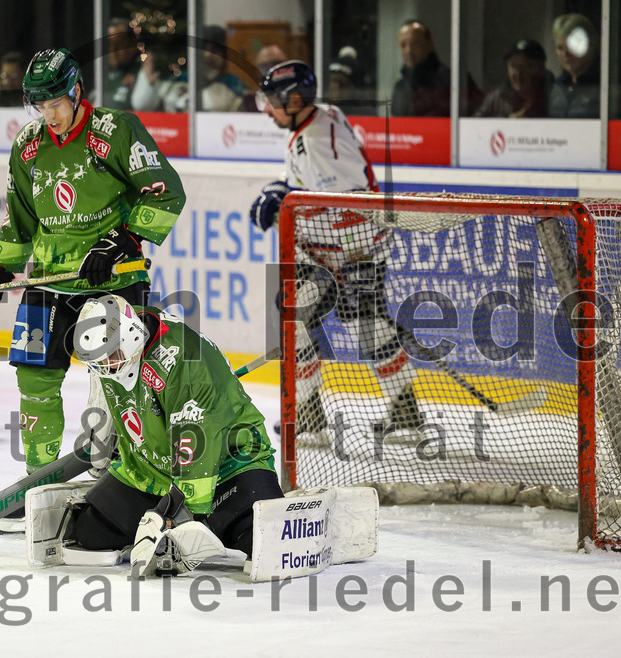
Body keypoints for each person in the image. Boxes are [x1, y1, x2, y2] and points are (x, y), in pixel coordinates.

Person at [0, 47, 186, 533]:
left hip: (115, 281)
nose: (50, 115)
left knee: (119, 389)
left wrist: (120, 240)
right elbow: (18, 223)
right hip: (48, 281)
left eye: (56, 103)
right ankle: (38, 486)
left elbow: (166, 190)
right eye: (39, 106)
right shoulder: (28, 147)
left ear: (77, 91)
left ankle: (127, 481)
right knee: (33, 381)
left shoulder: (115, 131)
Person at [43, 294, 283, 576]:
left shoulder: (185, 360)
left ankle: (214, 524)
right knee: (90, 535)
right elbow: (122, 394)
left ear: (131, 336)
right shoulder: (120, 341)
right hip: (153, 469)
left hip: (230, 462)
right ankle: (179, 528)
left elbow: (196, 438)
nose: (107, 366)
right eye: (99, 362)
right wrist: (109, 432)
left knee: (265, 539)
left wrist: (173, 514)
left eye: (111, 357)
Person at [250, 60, 422, 443]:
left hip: (350, 248)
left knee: (365, 325)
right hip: (331, 247)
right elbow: (309, 183)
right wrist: (280, 188)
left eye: (273, 101)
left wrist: (349, 263)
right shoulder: (319, 118)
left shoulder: (317, 141)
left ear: (295, 99)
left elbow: (352, 202)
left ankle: (405, 412)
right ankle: (310, 413)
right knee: (298, 320)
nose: (268, 109)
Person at [133, 25, 246, 112]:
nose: (207, 55)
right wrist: (148, 85)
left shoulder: (233, 85)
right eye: (203, 49)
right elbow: (143, 106)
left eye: (214, 51)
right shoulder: (178, 80)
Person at [391, 19, 480, 116]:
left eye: (415, 43)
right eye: (403, 45)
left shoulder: (456, 81)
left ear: (430, 44)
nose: (409, 50)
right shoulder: (400, 88)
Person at [475, 39, 552, 118]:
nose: (519, 73)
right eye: (514, 65)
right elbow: (474, 125)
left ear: (541, 68)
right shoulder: (497, 98)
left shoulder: (553, 96)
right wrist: (507, 123)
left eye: (528, 65)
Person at [548, 13, 599, 118]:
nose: (565, 54)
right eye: (560, 48)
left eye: (572, 47)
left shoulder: (608, 86)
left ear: (590, 45)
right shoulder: (553, 87)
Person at [103, 18, 142, 110]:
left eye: (119, 43)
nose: (113, 50)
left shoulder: (141, 75)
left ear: (132, 44)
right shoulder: (100, 75)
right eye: (109, 44)